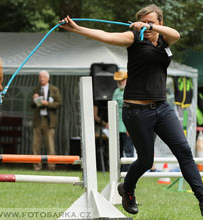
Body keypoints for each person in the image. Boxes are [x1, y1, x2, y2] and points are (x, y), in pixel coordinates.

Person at [60, 4, 203, 216]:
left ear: (160, 23)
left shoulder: (165, 40)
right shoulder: (134, 38)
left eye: (151, 22)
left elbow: (176, 34)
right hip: (136, 112)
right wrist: (78, 28)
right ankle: (127, 188)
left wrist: (152, 27)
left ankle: (202, 198)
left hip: (162, 108)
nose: (147, 26)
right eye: (143, 22)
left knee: (184, 151)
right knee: (146, 160)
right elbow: (105, 36)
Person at [32, 70, 62, 171]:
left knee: (50, 145)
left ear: (48, 78)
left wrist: (47, 104)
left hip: (49, 121)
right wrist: (34, 100)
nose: (42, 79)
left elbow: (59, 104)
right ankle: (37, 166)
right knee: (36, 145)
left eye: (43, 77)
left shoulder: (54, 89)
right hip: (38, 120)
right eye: (40, 77)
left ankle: (51, 166)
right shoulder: (36, 89)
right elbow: (31, 106)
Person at [112, 71, 134, 172]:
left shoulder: (131, 91)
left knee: (128, 150)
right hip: (117, 126)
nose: (120, 82)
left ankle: (130, 170)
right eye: (119, 80)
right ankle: (119, 170)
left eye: (122, 80)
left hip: (127, 126)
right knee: (118, 150)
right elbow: (113, 108)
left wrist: (130, 127)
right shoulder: (116, 92)